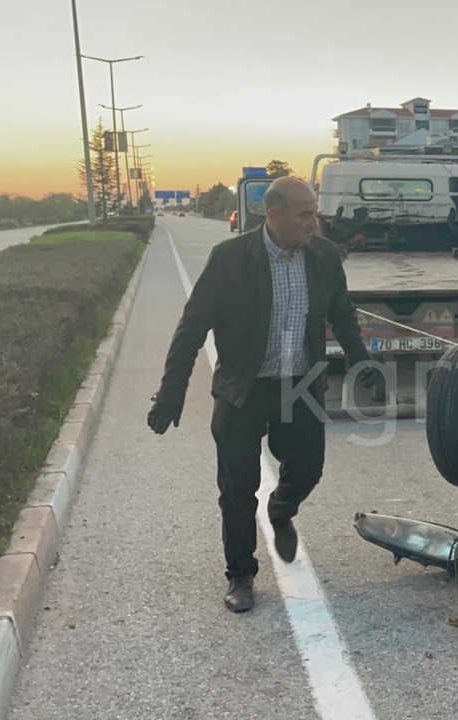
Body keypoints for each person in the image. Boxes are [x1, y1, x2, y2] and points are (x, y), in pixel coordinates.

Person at [146, 175, 378, 613]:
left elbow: (342, 316)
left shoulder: (325, 257)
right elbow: (192, 327)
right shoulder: (231, 258)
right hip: (242, 390)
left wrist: (362, 363)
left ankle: (282, 508)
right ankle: (240, 575)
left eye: (316, 213)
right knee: (237, 488)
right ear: (273, 216)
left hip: (301, 386)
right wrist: (170, 394)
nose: (315, 223)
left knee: (308, 469)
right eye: (305, 215)